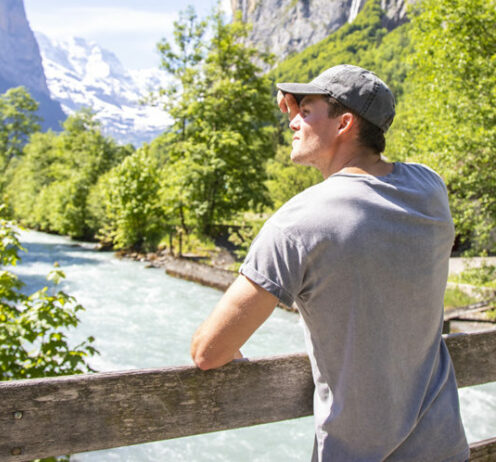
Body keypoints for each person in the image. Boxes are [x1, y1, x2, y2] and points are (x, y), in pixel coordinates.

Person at [191, 64, 470, 461]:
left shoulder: (297, 223)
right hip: (446, 451)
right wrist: (302, 109)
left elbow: (209, 351)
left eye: (306, 110)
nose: (292, 120)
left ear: (344, 123)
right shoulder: (429, 188)